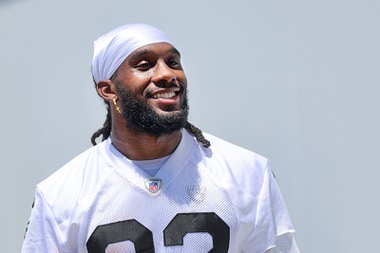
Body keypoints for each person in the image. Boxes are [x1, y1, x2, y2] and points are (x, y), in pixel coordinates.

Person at [22, 23, 299, 253]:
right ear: (108, 89)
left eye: (173, 62)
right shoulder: (61, 194)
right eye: (145, 65)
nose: (167, 74)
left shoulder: (246, 172)